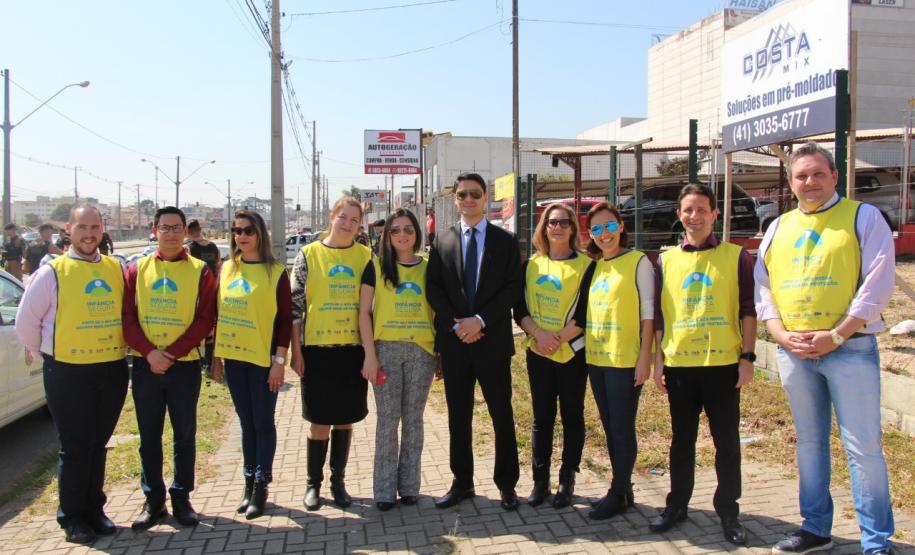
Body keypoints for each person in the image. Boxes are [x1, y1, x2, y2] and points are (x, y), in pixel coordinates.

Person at [756, 142, 896, 555]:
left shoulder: (863, 217)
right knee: (809, 442)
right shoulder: (778, 228)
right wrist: (780, 335)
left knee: (863, 447)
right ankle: (815, 528)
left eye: (818, 174)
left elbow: (878, 283)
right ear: (790, 182)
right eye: (801, 176)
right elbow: (764, 290)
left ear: (835, 177)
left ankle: (875, 542)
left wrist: (836, 335)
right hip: (795, 352)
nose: (810, 182)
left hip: (849, 348)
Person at [15, 204, 128, 544]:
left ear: (102, 229)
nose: (89, 233)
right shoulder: (52, 272)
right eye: (82, 227)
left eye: (95, 227)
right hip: (68, 372)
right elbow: (26, 324)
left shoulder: (115, 268)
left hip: (111, 369)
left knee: (98, 444)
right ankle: (72, 516)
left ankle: (95, 509)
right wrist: (49, 351)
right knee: (75, 446)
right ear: (69, 229)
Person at [651, 183, 756, 545]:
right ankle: (677, 505)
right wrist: (657, 360)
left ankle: (729, 512)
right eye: (687, 210)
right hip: (679, 366)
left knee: (726, 443)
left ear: (714, 214)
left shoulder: (737, 257)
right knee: (682, 442)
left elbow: (748, 310)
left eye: (701, 210)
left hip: (723, 365)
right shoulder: (665, 260)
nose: (694, 216)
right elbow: (661, 315)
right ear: (679, 215)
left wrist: (747, 358)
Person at [426, 172, 523, 511]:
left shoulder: (506, 241)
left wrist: (479, 321)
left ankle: (507, 484)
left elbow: (512, 288)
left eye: (475, 194)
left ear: (486, 198)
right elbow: (434, 289)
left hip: (492, 342)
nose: (469, 200)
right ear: (455, 199)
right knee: (458, 417)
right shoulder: (442, 241)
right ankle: (462, 482)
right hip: (455, 345)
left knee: (501, 414)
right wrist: (459, 325)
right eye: (463, 194)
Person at [122, 206, 217, 530]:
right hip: (147, 366)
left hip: (184, 366)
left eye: (177, 227)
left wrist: (171, 354)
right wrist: (150, 353)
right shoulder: (135, 270)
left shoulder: (201, 270)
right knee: (149, 436)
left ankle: (182, 498)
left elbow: (205, 319)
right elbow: (127, 319)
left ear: (184, 231)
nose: (172, 233)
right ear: (155, 230)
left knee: (184, 435)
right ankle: (153, 501)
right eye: (165, 227)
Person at [573, 202, 654, 519]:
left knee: (622, 428)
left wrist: (645, 356)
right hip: (597, 358)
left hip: (625, 359)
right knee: (610, 427)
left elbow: (648, 314)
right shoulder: (594, 267)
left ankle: (617, 493)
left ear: (621, 226)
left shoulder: (638, 262)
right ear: (590, 234)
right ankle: (625, 490)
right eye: (596, 229)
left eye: (609, 226)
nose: (603, 234)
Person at [291, 196, 373, 511]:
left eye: (354, 220)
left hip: (351, 351)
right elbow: (295, 309)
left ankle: (339, 483)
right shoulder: (308, 254)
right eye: (343, 217)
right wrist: (296, 353)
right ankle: (313, 485)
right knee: (318, 422)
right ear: (332, 216)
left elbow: (370, 307)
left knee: (345, 420)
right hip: (317, 352)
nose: (348, 224)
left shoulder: (366, 256)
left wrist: (369, 353)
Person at [211, 210, 292, 520]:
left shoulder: (276, 273)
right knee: (246, 424)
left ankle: (261, 486)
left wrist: (279, 363)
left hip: (263, 362)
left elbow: (285, 321)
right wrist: (216, 356)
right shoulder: (227, 269)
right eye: (236, 231)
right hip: (235, 359)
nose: (241, 236)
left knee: (262, 423)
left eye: (247, 230)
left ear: (259, 234)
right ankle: (247, 485)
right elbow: (219, 313)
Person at [358, 208, 438, 511]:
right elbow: (364, 313)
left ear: (417, 233)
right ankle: (383, 489)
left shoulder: (430, 267)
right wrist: (370, 355)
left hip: (422, 352)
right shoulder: (376, 267)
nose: (402, 235)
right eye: (395, 230)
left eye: (408, 229)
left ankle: (409, 486)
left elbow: (440, 311)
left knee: (414, 421)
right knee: (388, 422)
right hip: (386, 352)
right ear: (386, 235)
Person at [512, 202, 590, 509]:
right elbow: (519, 309)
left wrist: (556, 339)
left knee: (572, 417)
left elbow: (585, 315)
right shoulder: (531, 265)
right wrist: (539, 335)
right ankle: (539, 482)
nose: (556, 227)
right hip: (539, 352)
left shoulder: (586, 265)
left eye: (563, 222)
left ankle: (567, 480)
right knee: (541, 418)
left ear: (573, 228)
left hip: (571, 353)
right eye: (551, 222)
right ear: (543, 228)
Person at [186, 219, 222, 371]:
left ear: (188, 232)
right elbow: (219, 265)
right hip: (214, 289)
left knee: (197, 323)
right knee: (212, 324)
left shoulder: (189, 249)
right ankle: (210, 359)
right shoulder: (214, 247)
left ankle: (201, 360)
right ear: (200, 229)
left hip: (197, 292)